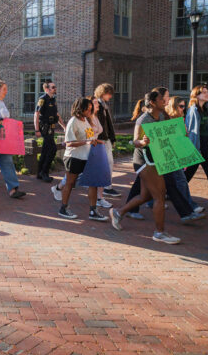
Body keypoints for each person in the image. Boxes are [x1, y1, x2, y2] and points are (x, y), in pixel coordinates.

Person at [109, 89, 181, 245]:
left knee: (145, 196)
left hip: (155, 159)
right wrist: (143, 142)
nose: (166, 101)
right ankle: (159, 233)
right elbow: (135, 141)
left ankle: (118, 212)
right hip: (145, 161)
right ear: (153, 102)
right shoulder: (143, 120)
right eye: (162, 99)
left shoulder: (161, 116)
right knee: (159, 196)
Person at [58, 97, 108, 220]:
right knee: (70, 183)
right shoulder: (73, 122)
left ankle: (93, 211)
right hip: (74, 157)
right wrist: (86, 142)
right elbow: (68, 143)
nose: (90, 111)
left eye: (91, 109)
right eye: (87, 109)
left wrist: (97, 141)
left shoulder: (86, 120)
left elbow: (90, 138)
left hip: (87, 157)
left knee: (93, 182)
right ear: (80, 109)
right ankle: (63, 208)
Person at [94, 84, 121, 199]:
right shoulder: (98, 105)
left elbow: (108, 124)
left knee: (109, 163)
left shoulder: (104, 105)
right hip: (101, 139)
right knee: (107, 163)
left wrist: (112, 137)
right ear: (102, 93)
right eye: (109, 93)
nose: (110, 96)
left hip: (105, 138)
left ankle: (107, 187)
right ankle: (106, 188)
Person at [35, 81, 65, 183]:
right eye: (53, 87)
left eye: (55, 87)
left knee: (45, 150)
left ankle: (39, 173)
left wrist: (64, 126)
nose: (55, 88)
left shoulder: (53, 99)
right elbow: (36, 114)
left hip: (51, 128)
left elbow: (57, 114)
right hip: (45, 127)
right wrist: (37, 129)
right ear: (46, 89)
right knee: (52, 149)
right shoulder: (42, 99)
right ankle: (45, 172)